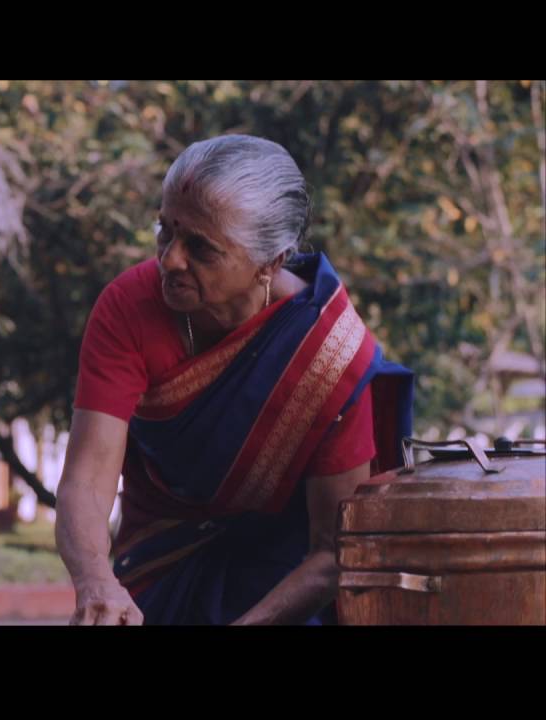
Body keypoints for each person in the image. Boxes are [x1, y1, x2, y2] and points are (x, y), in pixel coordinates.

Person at [56, 134, 413, 625]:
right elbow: (86, 480)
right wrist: (97, 583)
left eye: (200, 248)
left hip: (287, 586)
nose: (170, 259)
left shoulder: (330, 355)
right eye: (166, 231)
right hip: (157, 569)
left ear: (271, 262)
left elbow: (332, 554)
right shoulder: (130, 306)